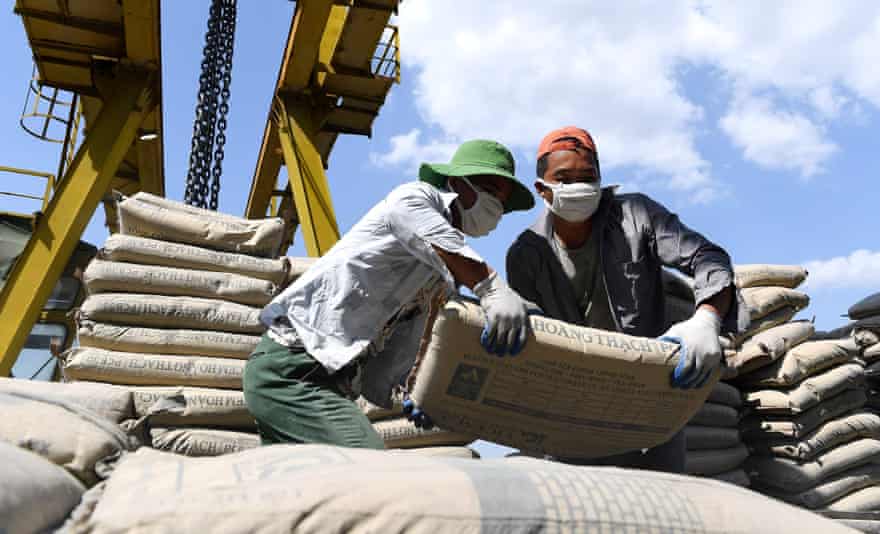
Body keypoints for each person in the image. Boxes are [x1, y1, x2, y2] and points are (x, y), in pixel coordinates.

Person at [243, 139, 537, 448]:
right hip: (293, 370)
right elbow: (440, 241)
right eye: (489, 189)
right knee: (371, 470)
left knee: (309, 488)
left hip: (328, 381)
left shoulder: (440, 278)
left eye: (501, 203)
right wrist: (491, 287)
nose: (494, 207)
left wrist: (424, 392)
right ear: (455, 182)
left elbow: (423, 339)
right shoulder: (415, 198)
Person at [505, 126, 747, 472]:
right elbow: (531, 339)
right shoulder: (526, 255)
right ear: (542, 189)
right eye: (564, 178)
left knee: (662, 512)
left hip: (647, 403)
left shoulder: (635, 216)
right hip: (573, 415)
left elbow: (708, 258)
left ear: (600, 179)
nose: (577, 186)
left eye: (586, 177)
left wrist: (707, 319)